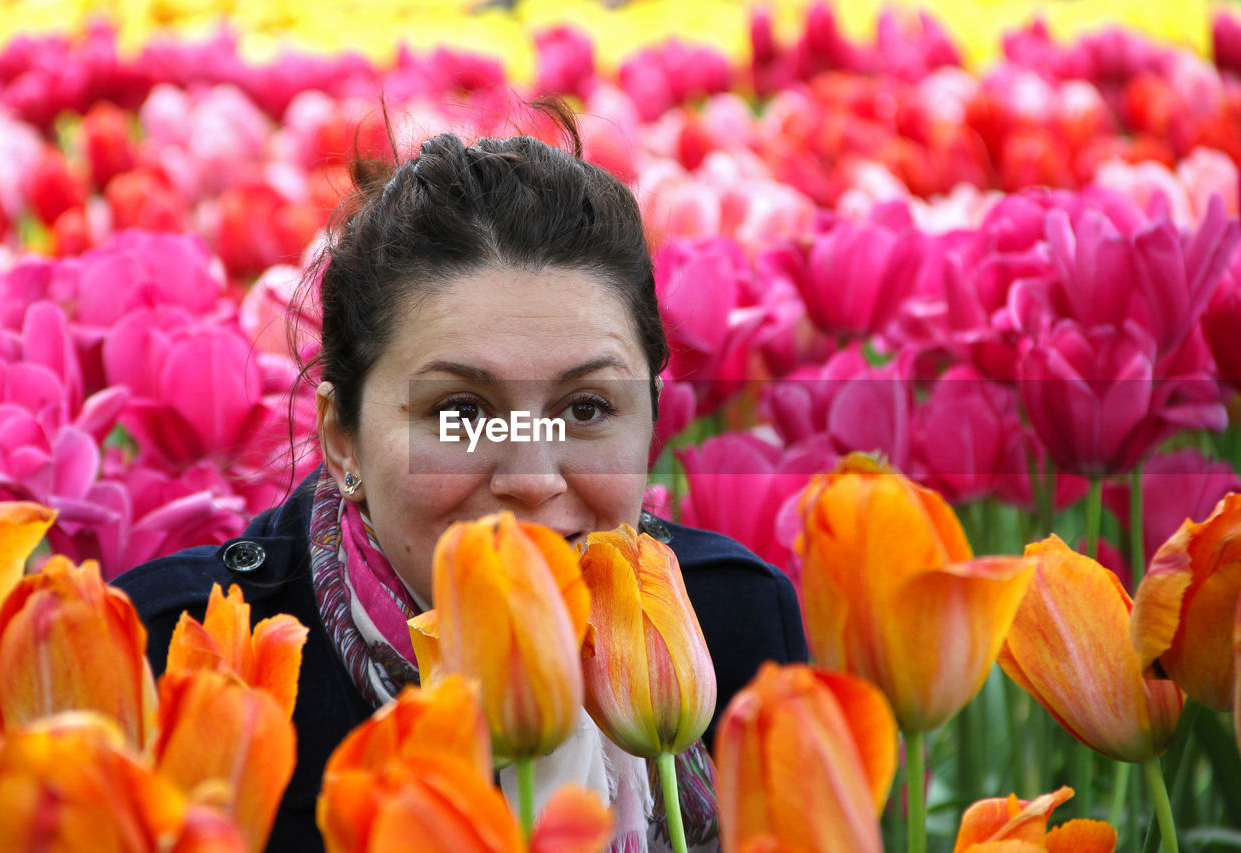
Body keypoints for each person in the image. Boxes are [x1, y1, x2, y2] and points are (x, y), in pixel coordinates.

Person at [113, 107, 807, 853]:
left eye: (586, 407)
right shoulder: (185, 662)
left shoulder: (732, 630)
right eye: (461, 409)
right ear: (340, 437)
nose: (533, 476)